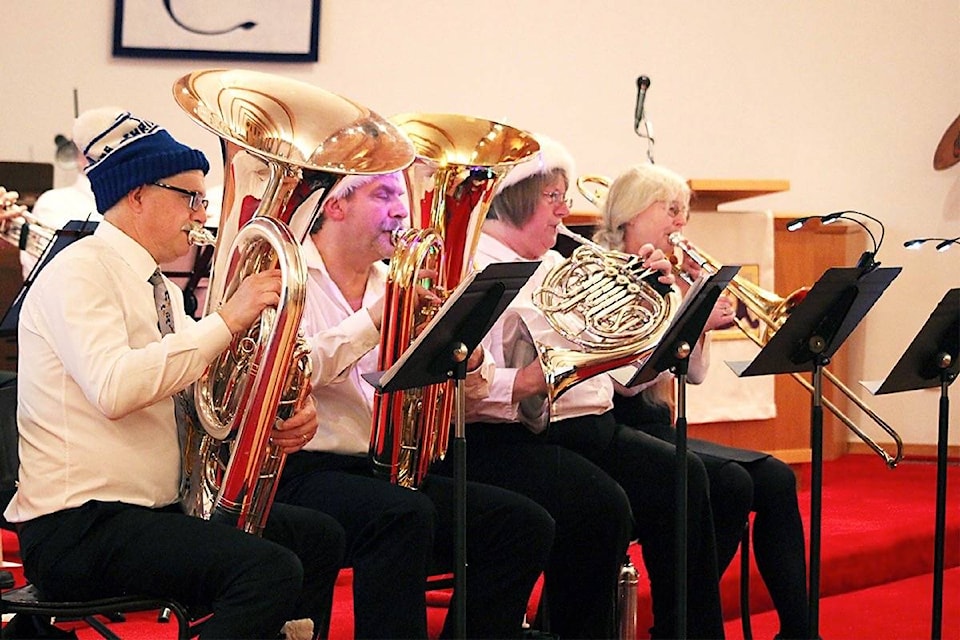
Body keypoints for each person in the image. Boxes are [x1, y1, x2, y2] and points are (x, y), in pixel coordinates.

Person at [2, 107, 347, 640]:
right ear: (138, 195)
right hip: (80, 525)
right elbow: (115, 388)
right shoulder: (79, 270)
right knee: (266, 570)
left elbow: (202, 392)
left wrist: (280, 411)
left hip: (151, 511)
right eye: (191, 197)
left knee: (318, 537)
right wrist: (228, 318)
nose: (201, 213)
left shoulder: (158, 287)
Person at [458, 135, 725, 639]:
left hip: (589, 425)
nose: (565, 210)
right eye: (553, 197)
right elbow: (473, 386)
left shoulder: (559, 264)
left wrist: (657, 303)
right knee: (600, 506)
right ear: (516, 201)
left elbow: (628, 381)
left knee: (683, 475)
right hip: (514, 435)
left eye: (565, 196)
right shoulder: (478, 267)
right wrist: (537, 379)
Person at [273, 171, 556, 639]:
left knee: (524, 525)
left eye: (400, 197)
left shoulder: (394, 282)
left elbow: (477, 388)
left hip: (383, 467)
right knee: (403, 515)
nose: (401, 211)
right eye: (382, 196)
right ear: (335, 206)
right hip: (304, 469)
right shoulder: (290, 278)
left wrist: (465, 342)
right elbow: (290, 372)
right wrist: (371, 321)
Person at [598, 163, 811, 639]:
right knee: (732, 483)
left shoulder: (665, 277)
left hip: (657, 424)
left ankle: (797, 630)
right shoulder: (601, 272)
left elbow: (692, 373)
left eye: (684, 212)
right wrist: (691, 320)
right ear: (632, 214)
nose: (681, 223)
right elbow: (623, 381)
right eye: (670, 210)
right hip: (617, 423)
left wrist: (696, 303)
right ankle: (681, 620)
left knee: (775, 478)